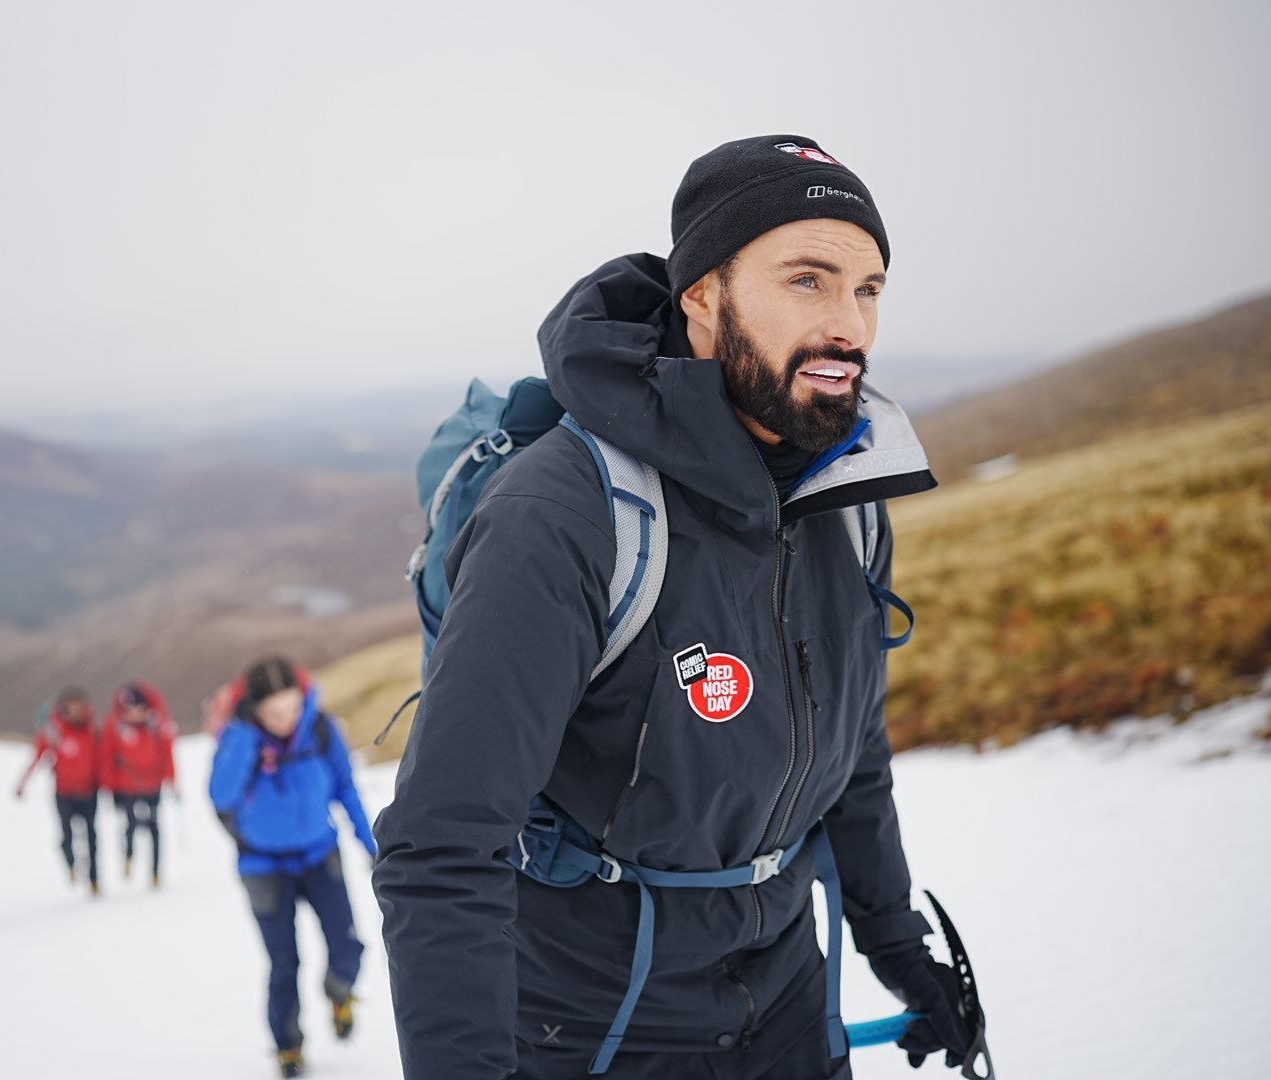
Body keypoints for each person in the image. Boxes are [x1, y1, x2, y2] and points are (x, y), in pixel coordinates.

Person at [374, 135, 972, 1079]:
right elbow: (442, 847)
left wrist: (901, 955)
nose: (850, 324)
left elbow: (850, 756)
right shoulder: (566, 514)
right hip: (593, 1026)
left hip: (784, 1005)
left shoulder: (845, 496)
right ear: (702, 295)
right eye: (807, 281)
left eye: (868, 289)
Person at [209, 657, 378, 1079]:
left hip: (321, 856)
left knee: (347, 945)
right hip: (263, 868)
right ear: (254, 710)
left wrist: (372, 845)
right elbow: (221, 795)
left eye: (292, 708)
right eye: (273, 713)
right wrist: (248, 736)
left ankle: (339, 992)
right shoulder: (239, 737)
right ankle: (288, 1047)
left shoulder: (320, 728)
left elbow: (345, 787)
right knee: (284, 963)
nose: (285, 720)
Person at [15, 686, 103, 895]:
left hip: (89, 792)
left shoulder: (94, 729)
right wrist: (23, 783)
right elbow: (37, 756)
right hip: (64, 793)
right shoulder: (54, 731)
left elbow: (104, 759)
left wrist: (110, 784)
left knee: (92, 837)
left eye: (79, 705)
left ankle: (94, 880)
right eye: (71, 706)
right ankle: (71, 865)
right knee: (67, 836)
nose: (75, 710)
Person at [101, 681, 177, 887]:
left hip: (152, 784)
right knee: (131, 824)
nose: (134, 714)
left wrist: (171, 778)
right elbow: (108, 757)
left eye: (138, 709)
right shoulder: (115, 726)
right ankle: (129, 856)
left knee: (154, 826)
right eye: (130, 710)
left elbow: (167, 752)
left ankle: (155, 872)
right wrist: (110, 787)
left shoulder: (156, 725)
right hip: (127, 786)